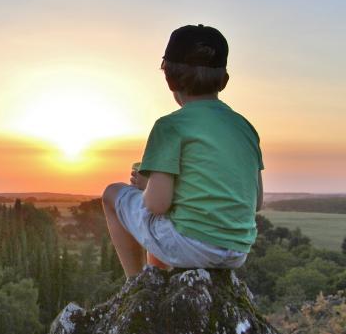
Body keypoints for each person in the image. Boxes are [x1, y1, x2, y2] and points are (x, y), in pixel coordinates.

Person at [101, 24, 264, 277]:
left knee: (112, 193)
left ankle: (137, 284)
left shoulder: (170, 126)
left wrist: (146, 184)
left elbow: (157, 204)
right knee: (166, 223)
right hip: (236, 251)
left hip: (191, 246)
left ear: (169, 79)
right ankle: (157, 275)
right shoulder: (245, 127)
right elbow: (258, 201)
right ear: (224, 79)